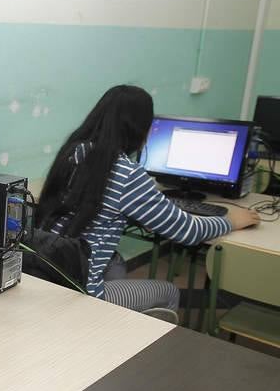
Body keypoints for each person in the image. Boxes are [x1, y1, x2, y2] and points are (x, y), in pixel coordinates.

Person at [37, 85, 260, 313]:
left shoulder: (73, 151)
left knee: (116, 263)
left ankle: (112, 326)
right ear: (139, 129)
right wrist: (231, 221)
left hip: (47, 270)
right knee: (169, 292)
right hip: (81, 288)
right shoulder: (126, 174)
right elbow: (188, 232)